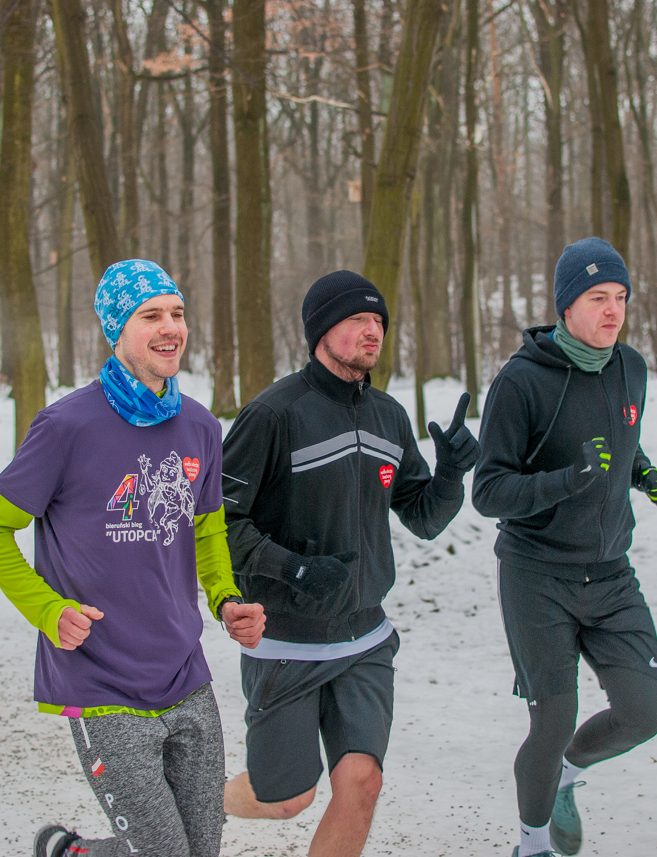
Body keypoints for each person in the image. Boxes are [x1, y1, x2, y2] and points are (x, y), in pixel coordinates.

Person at [0, 259, 266, 857]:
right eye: (150, 315)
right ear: (117, 329)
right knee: (163, 853)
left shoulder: (201, 427)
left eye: (177, 314)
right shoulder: (65, 426)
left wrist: (226, 598)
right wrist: (48, 611)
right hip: (99, 676)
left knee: (199, 851)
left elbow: (207, 532)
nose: (170, 327)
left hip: (184, 670)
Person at [219, 270, 481, 857]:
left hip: (364, 636)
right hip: (286, 641)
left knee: (362, 783)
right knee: (286, 797)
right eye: (357, 320)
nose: (372, 331)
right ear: (320, 332)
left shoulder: (389, 416)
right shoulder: (273, 413)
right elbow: (216, 524)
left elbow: (422, 516)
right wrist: (292, 570)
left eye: (379, 321)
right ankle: (195, 799)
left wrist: (449, 474)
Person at [472, 237, 657, 857]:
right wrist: (568, 481)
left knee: (643, 714)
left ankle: (564, 773)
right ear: (565, 306)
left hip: (612, 574)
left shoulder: (630, 367)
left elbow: (620, 441)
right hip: (537, 576)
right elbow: (488, 491)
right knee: (553, 718)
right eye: (597, 298)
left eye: (620, 298)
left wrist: (644, 473)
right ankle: (531, 846)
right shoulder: (520, 382)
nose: (612, 311)